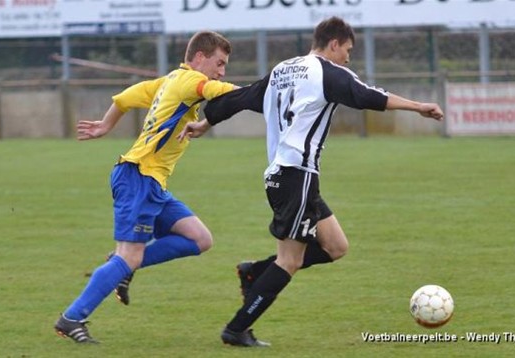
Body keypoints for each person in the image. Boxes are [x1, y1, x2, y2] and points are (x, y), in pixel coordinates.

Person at [178, 17, 443, 347]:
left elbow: (243, 96)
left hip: (290, 176)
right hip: (295, 174)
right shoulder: (327, 72)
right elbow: (369, 96)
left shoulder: (283, 69)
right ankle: (236, 328)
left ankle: (255, 272)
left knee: (336, 247)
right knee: (290, 260)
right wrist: (419, 107)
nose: (348, 58)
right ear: (334, 44)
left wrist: (205, 122)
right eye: (347, 50)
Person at [54, 30, 238, 343]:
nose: (221, 71)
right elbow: (224, 92)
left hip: (150, 182)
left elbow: (124, 99)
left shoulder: (168, 81)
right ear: (200, 58)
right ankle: (72, 318)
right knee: (129, 255)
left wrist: (106, 124)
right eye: (219, 63)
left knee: (200, 239)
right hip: (139, 177)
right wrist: (266, 91)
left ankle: (122, 266)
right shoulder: (188, 81)